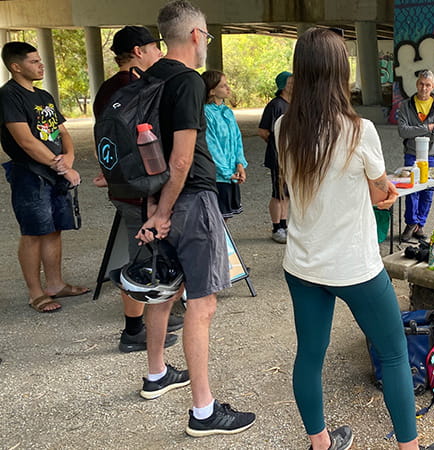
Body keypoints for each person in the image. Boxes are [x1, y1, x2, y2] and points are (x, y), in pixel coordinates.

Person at [276, 27, 434, 450]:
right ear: (340, 73)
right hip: (355, 266)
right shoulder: (359, 130)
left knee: (309, 357)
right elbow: (380, 192)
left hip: (303, 264)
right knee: (392, 355)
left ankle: (321, 443)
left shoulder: (283, 127)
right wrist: (387, 196)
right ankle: (409, 446)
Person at [136, 0, 255, 436]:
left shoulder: (147, 78)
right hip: (189, 202)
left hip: (154, 201)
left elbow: (145, 152)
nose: (205, 44)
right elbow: (181, 159)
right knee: (201, 304)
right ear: (193, 36)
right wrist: (165, 211)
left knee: (163, 291)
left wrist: (152, 208)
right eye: (205, 36)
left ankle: (155, 374)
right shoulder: (186, 81)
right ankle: (204, 412)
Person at [93, 25, 183, 354]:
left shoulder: (109, 88)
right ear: (138, 51)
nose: (160, 53)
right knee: (142, 258)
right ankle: (133, 331)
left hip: (124, 185)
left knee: (148, 252)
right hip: (139, 189)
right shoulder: (135, 87)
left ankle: (154, 314)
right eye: (155, 47)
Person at [0, 41, 89, 313]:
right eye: (34, 61)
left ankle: (55, 284)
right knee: (33, 233)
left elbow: (62, 133)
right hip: (29, 173)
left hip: (55, 171)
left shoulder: (44, 96)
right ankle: (35, 293)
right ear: (16, 66)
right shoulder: (9, 96)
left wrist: (69, 158)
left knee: (54, 229)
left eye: (40, 60)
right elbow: (25, 141)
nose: (41, 65)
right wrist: (61, 166)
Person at [396, 70, 434, 242]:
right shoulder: (405, 105)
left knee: (427, 191)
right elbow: (403, 131)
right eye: (421, 84)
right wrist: (427, 128)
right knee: (411, 190)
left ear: (433, 87)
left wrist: (415, 131)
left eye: (428, 85)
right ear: (417, 84)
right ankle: (410, 223)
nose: (424, 88)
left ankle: (420, 225)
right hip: (411, 153)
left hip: (431, 154)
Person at [202, 70, 247, 221]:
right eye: (223, 86)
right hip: (218, 176)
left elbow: (237, 140)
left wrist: (240, 164)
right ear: (212, 91)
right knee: (216, 218)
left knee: (225, 218)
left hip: (231, 173)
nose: (228, 88)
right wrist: (226, 172)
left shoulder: (227, 111)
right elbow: (211, 146)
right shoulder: (206, 113)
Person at [257, 71, 292, 243]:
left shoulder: (292, 104)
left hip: (290, 156)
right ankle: (276, 227)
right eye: (292, 82)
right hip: (278, 156)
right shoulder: (275, 105)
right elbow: (263, 131)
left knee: (287, 192)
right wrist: (275, 145)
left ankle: (284, 224)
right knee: (278, 192)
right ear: (284, 85)